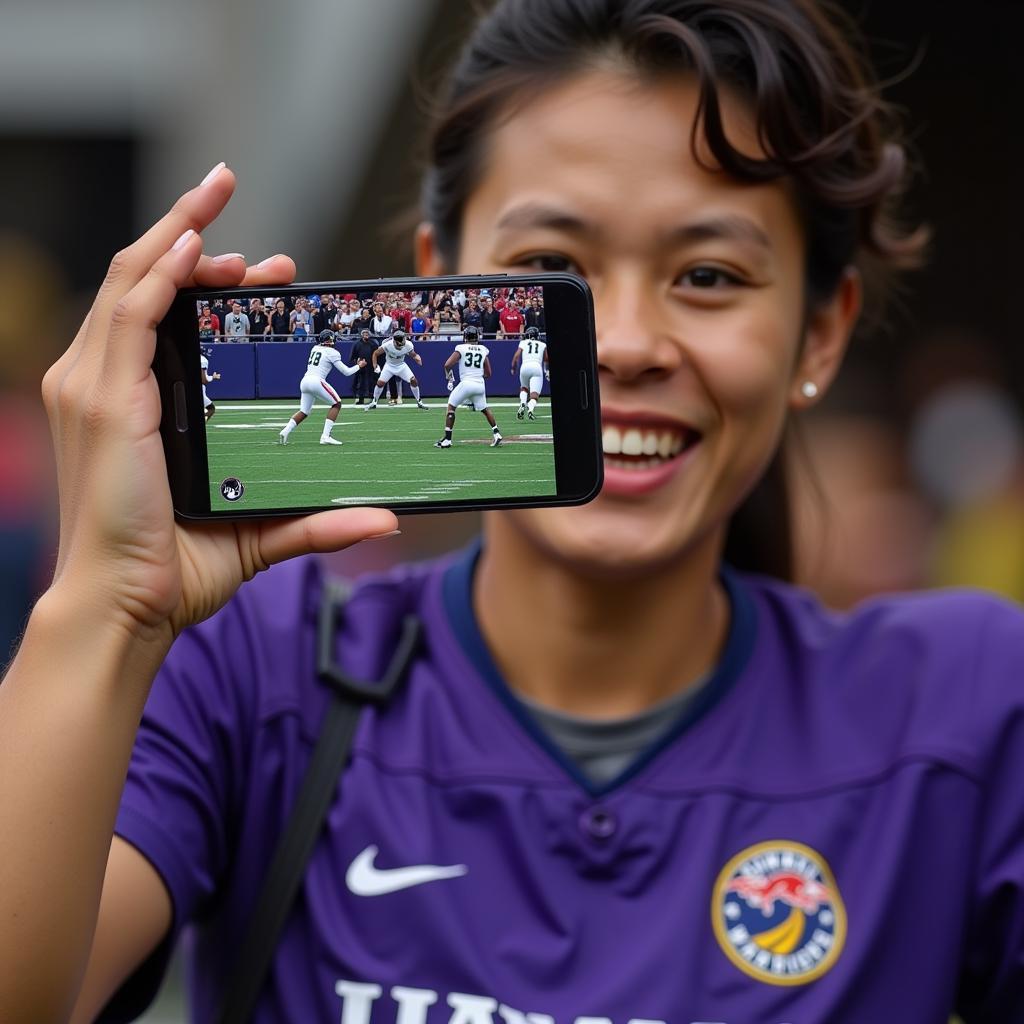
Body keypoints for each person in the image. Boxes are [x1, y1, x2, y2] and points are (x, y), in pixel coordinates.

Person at [5, 4, 1022, 1024]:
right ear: (434, 284)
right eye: (549, 271)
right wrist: (105, 607)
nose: (622, 342)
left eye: (707, 276)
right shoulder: (252, 672)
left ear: (817, 333)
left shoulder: (964, 715)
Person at [278, 330, 366, 446]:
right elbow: (346, 372)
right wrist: (359, 366)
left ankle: (285, 431)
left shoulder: (315, 348)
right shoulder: (332, 352)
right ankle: (325, 436)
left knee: (304, 411)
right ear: (329, 340)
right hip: (316, 381)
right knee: (337, 404)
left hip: (305, 381)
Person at [435, 324, 502, 448]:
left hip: (466, 383)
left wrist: (449, 376)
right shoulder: (483, 349)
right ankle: (496, 433)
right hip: (480, 384)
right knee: (485, 409)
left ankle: (447, 440)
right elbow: (488, 373)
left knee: (451, 407)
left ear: (465, 336)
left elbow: (447, 365)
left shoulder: (461, 347)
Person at [365, 330, 429, 410]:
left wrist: (417, 358)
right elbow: (375, 353)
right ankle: (374, 402)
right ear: (394, 341)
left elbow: (413, 354)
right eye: (399, 344)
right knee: (380, 383)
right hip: (389, 365)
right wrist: (375, 365)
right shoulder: (387, 345)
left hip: (401, 365)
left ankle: (419, 402)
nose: (401, 346)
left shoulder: (408, 345)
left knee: (414, 381)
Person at [510, 324, 548, 420]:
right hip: (536, 367)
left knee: (524, 388)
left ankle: (522, 403)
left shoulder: (523, 342)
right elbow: (546, 359)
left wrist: (513, 368)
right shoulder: (542, 344)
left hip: (525, 366)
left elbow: (516, 356)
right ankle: (530, 409)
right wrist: (547, 370)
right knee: (534, 395)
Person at [350, 326, 378, 404]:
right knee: (361, 382)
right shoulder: (357, 344)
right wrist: (357, 363)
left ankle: (373, 398)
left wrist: (376, 365)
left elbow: (377, 355)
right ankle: (360, 398)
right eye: (364, 333)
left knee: (372, 382)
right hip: (361, 367)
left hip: (371, 366)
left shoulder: (373, 344)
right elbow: (353, 356)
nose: (366, 334)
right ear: (362, 335)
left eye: (367, 333)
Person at [199, 345, 221, 423]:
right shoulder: (203, 360)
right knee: (211, 409)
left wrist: (212, 377)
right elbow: (203, 380)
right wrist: (211, 378)